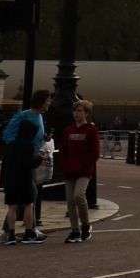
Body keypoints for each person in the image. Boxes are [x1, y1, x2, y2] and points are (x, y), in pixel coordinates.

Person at [1, 90, 52, 244]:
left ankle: (10, 232)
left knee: (20, 199)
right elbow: (8, 135)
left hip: (28, 159)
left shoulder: (40, 117)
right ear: (41, 101)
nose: (50, 103)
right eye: (48, 100)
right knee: (30, 196)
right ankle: (25, 231)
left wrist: (44, 138)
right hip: (25, 161)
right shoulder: (24, 115)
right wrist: (21, 152)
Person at [57, 100, 100, 243]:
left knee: (78, 196)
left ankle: (86, 224)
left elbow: (95, 152)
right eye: (75, 111)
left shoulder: (91, 130)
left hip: (84, 170)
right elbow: (63, 149)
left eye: (80, 111)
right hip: (69, 170)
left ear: (86, 113)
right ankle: (75, 230)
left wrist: (84, 165)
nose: (76, 113)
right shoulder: (68, 130)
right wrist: (64, 164)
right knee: (70, 201)